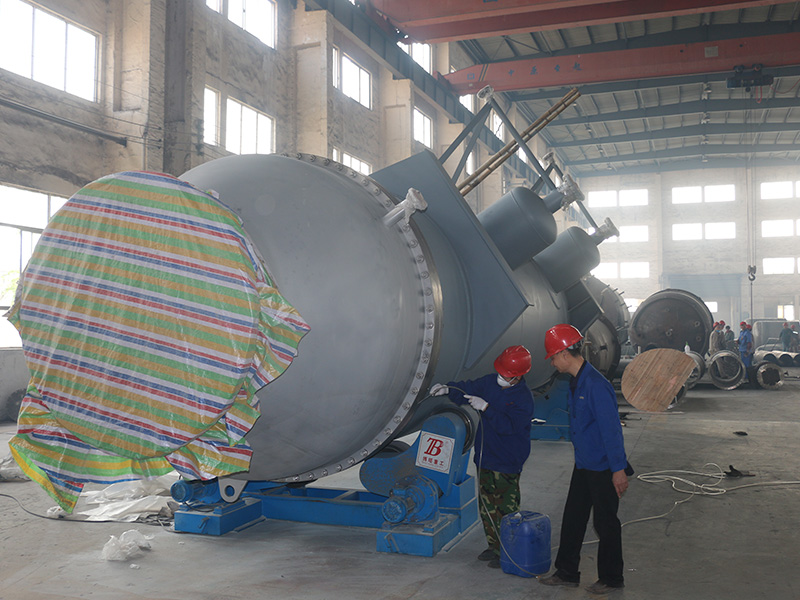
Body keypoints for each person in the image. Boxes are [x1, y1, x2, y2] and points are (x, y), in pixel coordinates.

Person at [538, 324, 628, 595]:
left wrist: (618, 469)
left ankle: (612, 578)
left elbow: (611, 430)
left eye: (553, 357)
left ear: (565, 354)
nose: (552, 362)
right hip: (585, 463)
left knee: (605, 523)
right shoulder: (576, 381)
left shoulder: (596, 385)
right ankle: (567, 572)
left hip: (602, 466)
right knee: (573, 517)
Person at [429, 345, 534, 569]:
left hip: (507, 461)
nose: (500, 377)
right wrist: (448, 389)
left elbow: (509, 426)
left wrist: (486, 408)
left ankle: (508, 551)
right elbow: (468, 388)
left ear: (517, 376)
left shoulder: (523, 398)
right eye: (500, 372)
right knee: (487, 506)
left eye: (506, 375)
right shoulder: (489, 383)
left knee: (505, 508)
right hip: (486, 457)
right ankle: (494, 546)